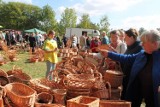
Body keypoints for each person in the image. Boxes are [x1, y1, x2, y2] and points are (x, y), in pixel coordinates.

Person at [99, 30, 160, 107]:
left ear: (155, 44)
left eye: (144, 42)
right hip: (137, 91)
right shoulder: (142, 53)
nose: (141, 44)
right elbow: (127, 58)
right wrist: (109, 54)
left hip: (154, 95)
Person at [121, 28, 143, 100]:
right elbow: (124, 59)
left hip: (135, 81)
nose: (124, 40)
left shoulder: (139, 48)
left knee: (132, 100)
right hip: (126, 78)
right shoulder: (130, 47)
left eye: (126, 38)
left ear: (132, 37)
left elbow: (129, 60)